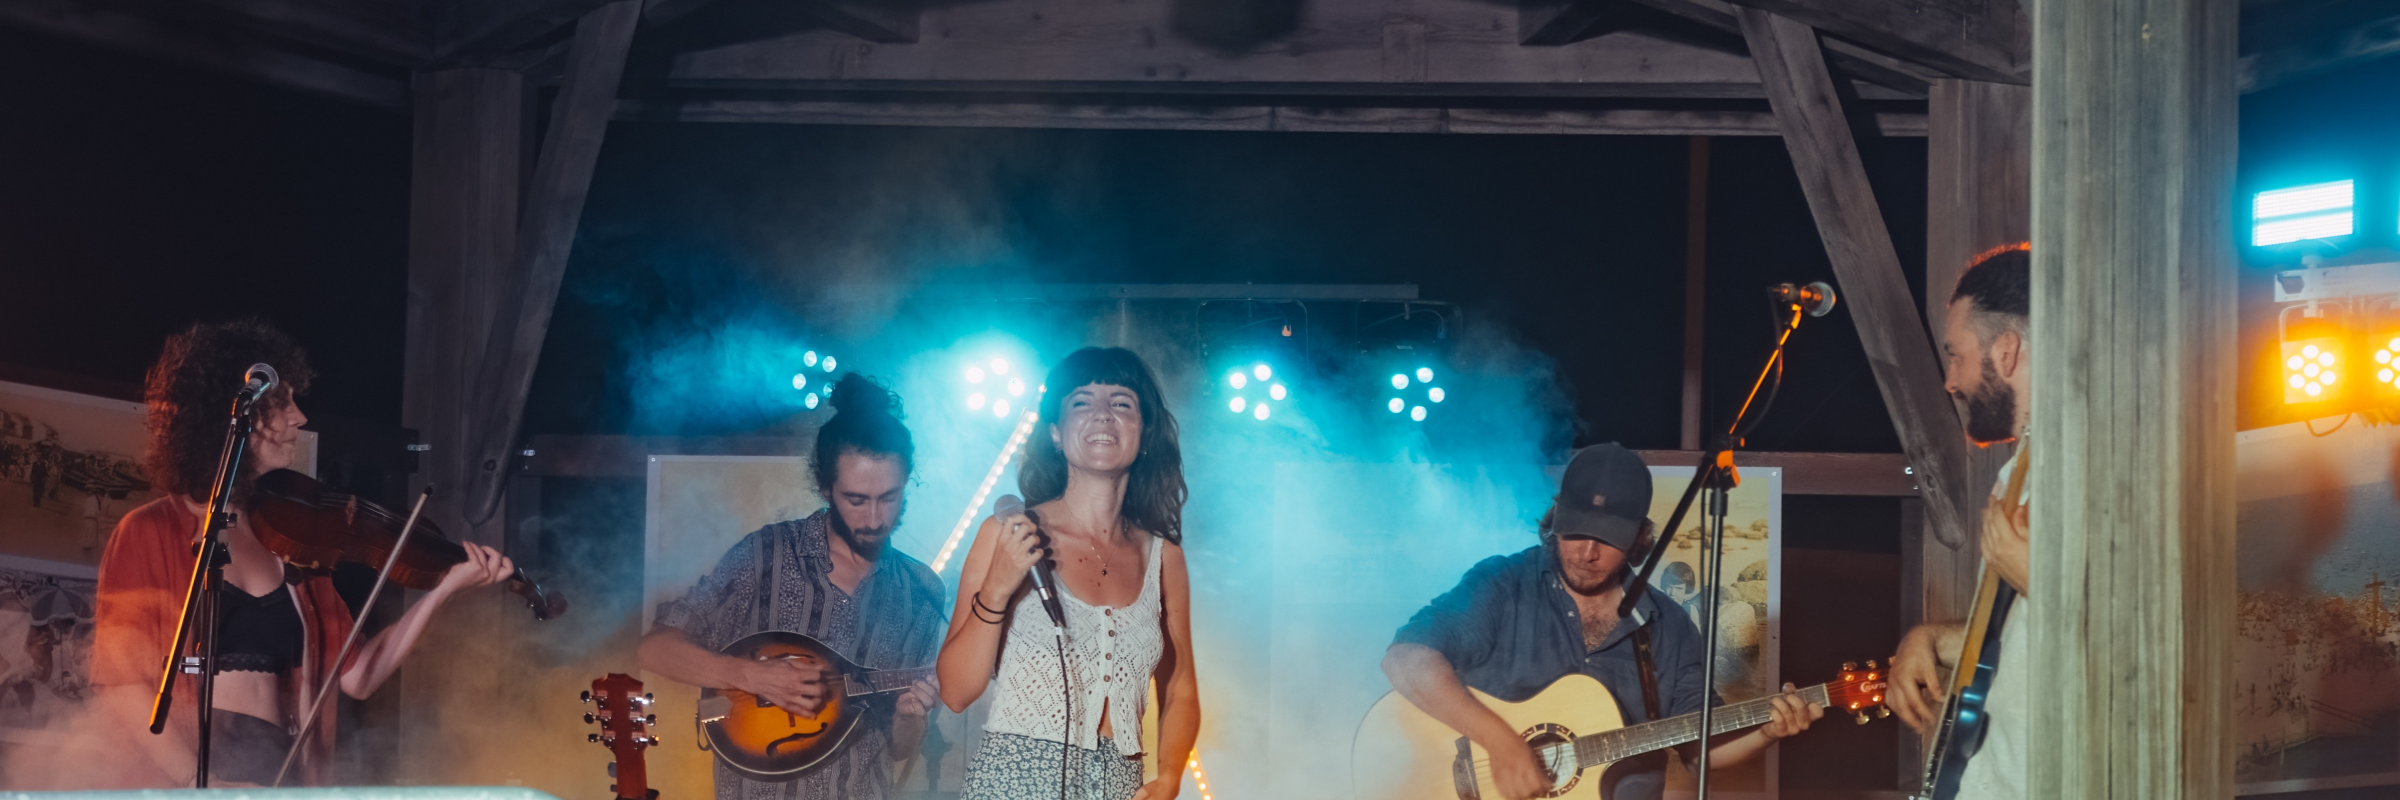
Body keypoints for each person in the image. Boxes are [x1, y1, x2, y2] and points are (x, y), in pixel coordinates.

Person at [88, 319, 516, 787]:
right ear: (234, 414)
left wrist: (443, 589)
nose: (299, 417)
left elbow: (357, 677)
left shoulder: (295, 542)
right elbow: (123, 688)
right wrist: (199, 785)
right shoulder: (148, 531)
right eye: (283, 401)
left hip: (281, 773)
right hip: (186, 778)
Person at [1380, 443, 1823, 800]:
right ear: (1556, 518)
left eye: (1607, 539)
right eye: (1575, 532)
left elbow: (1697, 746)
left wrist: (1767, 731)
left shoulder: (1667, 626)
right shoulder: (1502, 584)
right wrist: (1500, 742)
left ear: (1637, 538)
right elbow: (1405, 658)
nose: (1587, 553)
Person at [637, 374, 945, 800]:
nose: (875, 518)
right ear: (825, 487)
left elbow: (899, 747)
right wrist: (751, 675)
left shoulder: (921, 590)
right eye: (856, 499)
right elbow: (653, 649)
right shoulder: (766, 553)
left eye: (889, 498)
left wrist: (912, 717)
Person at [938, 347, 1200, 800]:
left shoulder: (1164, 557)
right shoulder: (1007, 532)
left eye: (1121, 403)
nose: (1102, 415)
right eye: (1082, 402)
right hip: (1013, 780)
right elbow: (956, 692)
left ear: (1144, 432)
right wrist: (998, 589)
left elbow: (1180, 688)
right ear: (1056, 433)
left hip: (1121, 781)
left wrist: (1171, 777)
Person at [1886, 244, 2032, 798]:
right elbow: (2017, 632)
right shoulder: (2018, 472)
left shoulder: (2093, 467)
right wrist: (1929, 638)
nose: (1951, 380)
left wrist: (2036, 575)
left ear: (2007, 350)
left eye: (1956, 355)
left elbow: (2140, 624)